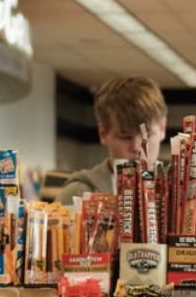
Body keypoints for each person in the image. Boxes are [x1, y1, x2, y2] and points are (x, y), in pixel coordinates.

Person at [56, 76, 168, 204]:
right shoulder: (79, 193)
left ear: (162, 128)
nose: (137, 147)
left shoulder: (177, 191)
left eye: (147, 135)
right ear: (103, 134)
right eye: (125, 137)